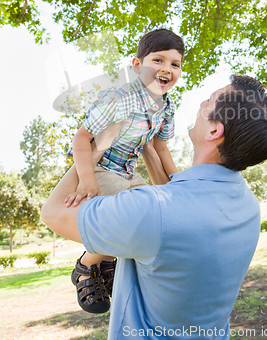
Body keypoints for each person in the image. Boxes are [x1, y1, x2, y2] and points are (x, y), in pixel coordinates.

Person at [41, 74, 267, 340]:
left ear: (215, 130)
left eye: (209, 100)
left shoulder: (154, 210)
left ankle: (85, 268)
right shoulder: (248, 206)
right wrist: (144, 139)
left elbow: (54, 213)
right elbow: (174, 190)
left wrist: (101, 141)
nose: (201, 102)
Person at [42, 28, 185, 314]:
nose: (166, 69)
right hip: (103, 167)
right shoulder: (119, 98)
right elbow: (82, 138)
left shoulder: (166, 108)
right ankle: (88, 265)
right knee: (129, 216)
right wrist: (87, 180)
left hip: (128, 171)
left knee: (159, 217)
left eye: (175, 64)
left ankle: (108, 261)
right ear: (137, 65)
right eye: (158, 60)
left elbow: (160, 148)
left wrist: (180, 184)